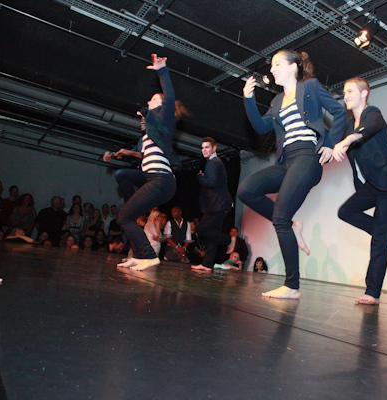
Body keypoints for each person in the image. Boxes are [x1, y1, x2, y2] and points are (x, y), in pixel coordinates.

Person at [239, 49, 346, 299]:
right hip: (286, 161)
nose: (272, 69)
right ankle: (292, 225)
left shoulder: (310, 87)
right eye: (272, 65)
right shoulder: (277, 101)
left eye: (278, 64)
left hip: (307, 158)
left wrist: (331, 144)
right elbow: (261, 127)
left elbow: (339, 112)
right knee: (246, 190)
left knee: (279, 217)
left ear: (293, 67)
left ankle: (292, 286)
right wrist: (248, 99)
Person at [333, 78, 387, 305]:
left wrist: (348, 140)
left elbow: (369, 129)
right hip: (372, 185)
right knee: (345, 211)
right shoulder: (349, 124)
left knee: (378, 239)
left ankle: (372, 293)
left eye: (350, 91)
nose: (346, 96)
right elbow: (353, 158)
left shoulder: (373, 113)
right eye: (344, 92)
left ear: (364, 93)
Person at [107, 54, 183, 271]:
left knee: (124, 216)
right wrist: (127, 153)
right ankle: (140, 255)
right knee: (122, 179)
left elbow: (169, 96)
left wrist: (162, 71)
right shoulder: (149, 135)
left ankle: (149, 256)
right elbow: (144, 156)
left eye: (153, 100)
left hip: (161, 181)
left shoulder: (166, 120)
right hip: (151, 178)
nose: (149, 102)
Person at [190, 137, 233, 271]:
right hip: (218, 204)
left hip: (217, 205)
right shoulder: (214, 162)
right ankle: (207, 264)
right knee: (212, 236)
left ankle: (228, 240)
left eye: (207, 147)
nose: (204, 150)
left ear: (214, 148)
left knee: (202, 230)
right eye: (202, 148)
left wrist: (200, 177)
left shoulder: (213, 162)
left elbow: (211, 182)